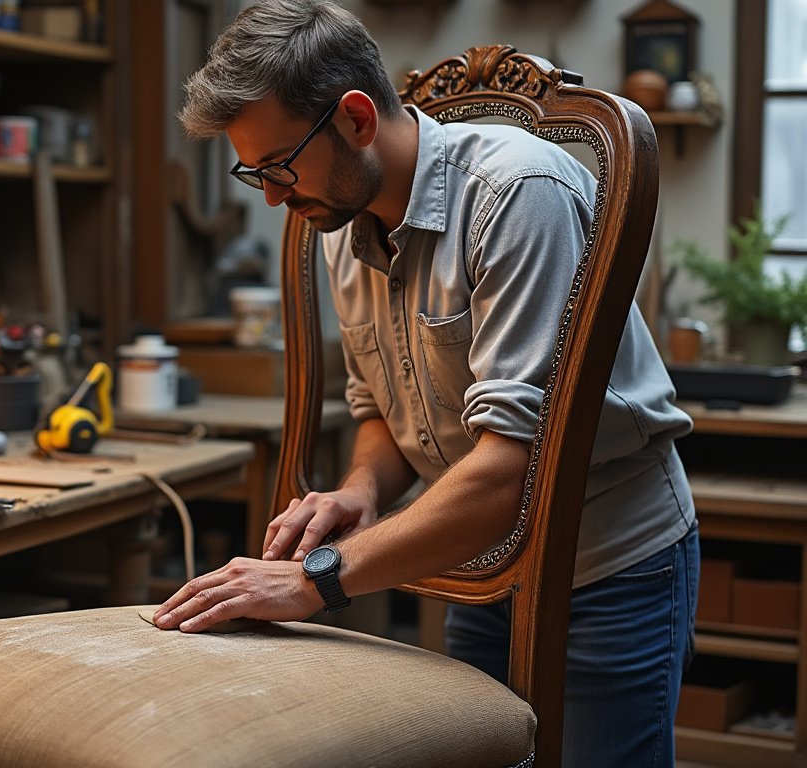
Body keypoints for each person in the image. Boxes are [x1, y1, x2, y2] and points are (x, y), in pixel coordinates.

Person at [150, 1, 699, 764]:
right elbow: (385, 409)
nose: (273, 197)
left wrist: (317, 579)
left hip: (606, 567)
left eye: (278, 166)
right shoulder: (342, 219)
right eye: (256, 175)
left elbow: (512, 470)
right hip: (475, 558)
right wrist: (362, 491)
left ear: (355, 119)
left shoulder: (516, 194)